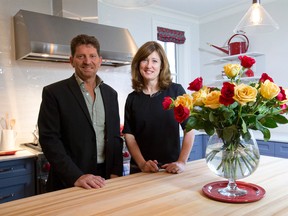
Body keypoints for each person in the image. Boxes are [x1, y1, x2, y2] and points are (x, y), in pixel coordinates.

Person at [38, 34, 123, 192]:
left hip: (105, 178)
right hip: (70, 180)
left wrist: (115, 172)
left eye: (92, 56)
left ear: (100, 60)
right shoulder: (54, 93)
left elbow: (115, 137)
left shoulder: (111, 94)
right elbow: (49, 140)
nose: (87, 61)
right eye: (81, 56)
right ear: (71, 61)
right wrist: (75, 176)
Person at [123, 41, 194, 174]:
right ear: (138, 64)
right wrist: (142, 164)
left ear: (161, 66)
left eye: (154, 61)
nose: (149, 65)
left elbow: (189, 128)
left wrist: (182, 162)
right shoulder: (132, 98)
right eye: (144, 60)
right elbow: (129, 135)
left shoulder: (176, 91)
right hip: (140, 171)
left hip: (170, 169)